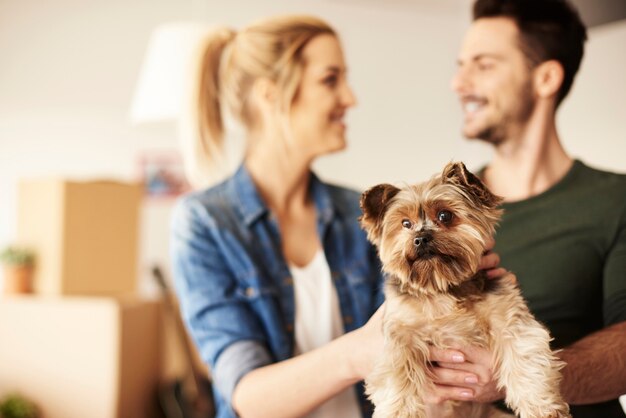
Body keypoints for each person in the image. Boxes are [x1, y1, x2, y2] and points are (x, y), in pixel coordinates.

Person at [170, 15, 504, 418]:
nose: (350, 98)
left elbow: (418, 330)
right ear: (270, 95)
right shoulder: (205, 223)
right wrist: (358, 351)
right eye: (331, 79)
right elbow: (247, 395)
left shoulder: (356, 214)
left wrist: (470, 294)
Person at [451, 0, 626, 416]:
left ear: (545, 77)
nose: (459, 82)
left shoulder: (616, 200)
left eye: (484, 64)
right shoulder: (443, 214)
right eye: (461, 65)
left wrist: (519, 372)